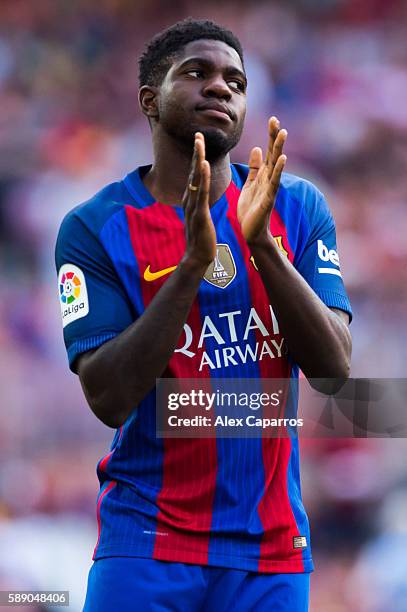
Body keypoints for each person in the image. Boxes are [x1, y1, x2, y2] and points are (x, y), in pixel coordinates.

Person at [55, 18, 352, 612]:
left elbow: (334, 370)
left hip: (271, 552)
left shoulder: (295, 205)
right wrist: (190, 267)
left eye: (235, 81)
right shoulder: (94, 227)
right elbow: (108, 397)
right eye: (196, 73)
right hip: (146, 541)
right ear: (149, 99)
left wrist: (263, 247)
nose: (220, 87)